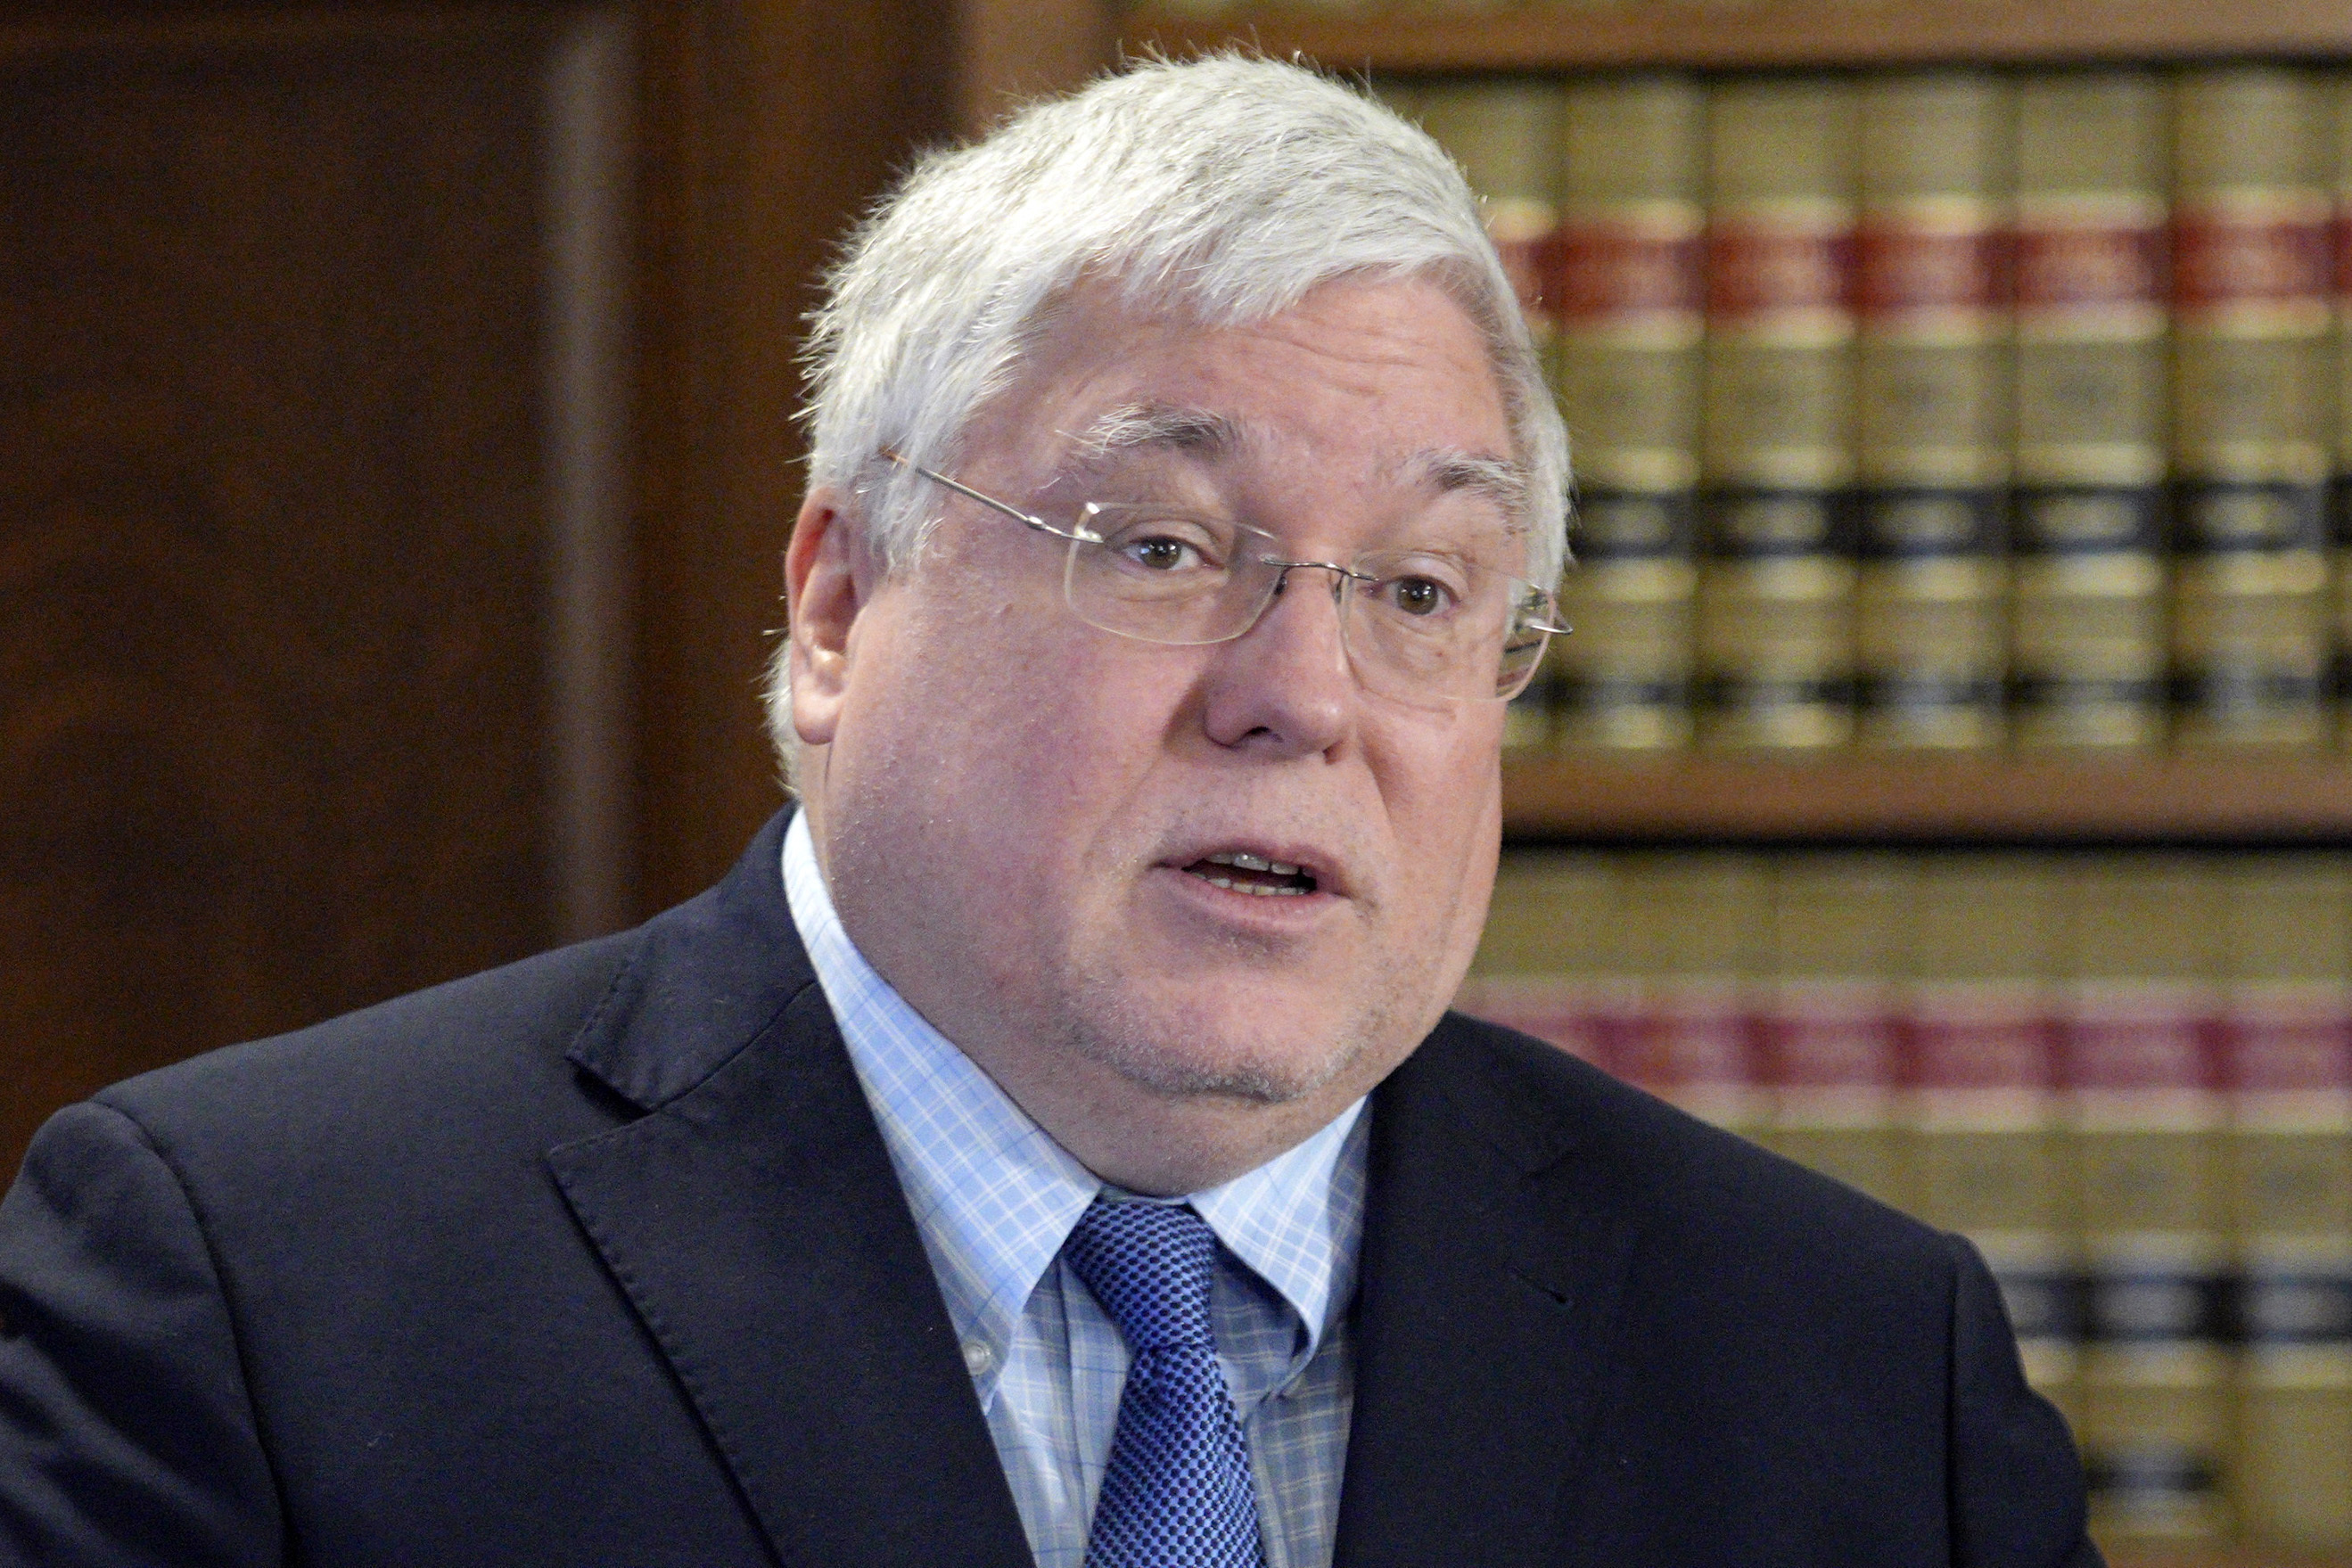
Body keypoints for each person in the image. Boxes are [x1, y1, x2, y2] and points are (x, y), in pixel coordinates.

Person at [0, 54, 2095, 1568]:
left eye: (1421, 591)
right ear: (838, 602)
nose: (1302, 697)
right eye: (1166, 548)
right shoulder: (248, 1287)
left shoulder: (1847, 1373)